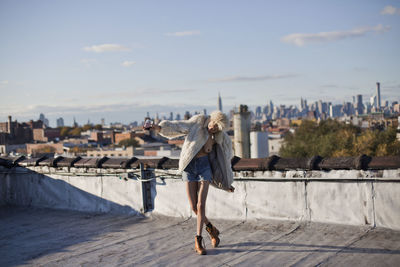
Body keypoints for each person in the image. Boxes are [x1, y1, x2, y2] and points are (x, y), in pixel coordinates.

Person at [149, 111, 235, 255]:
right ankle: (212, 229)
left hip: (204, 167)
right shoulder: (198, 122)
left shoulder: (219, 138)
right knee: (194, 208)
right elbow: (178, 126)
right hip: (189, 167)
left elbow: (225, 161)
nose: (213, 129)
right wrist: (158, 128)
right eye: (214, 125)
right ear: (212, 119)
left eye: (217, 128)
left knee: (201, 205)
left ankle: (198, 240)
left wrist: (226, 183)